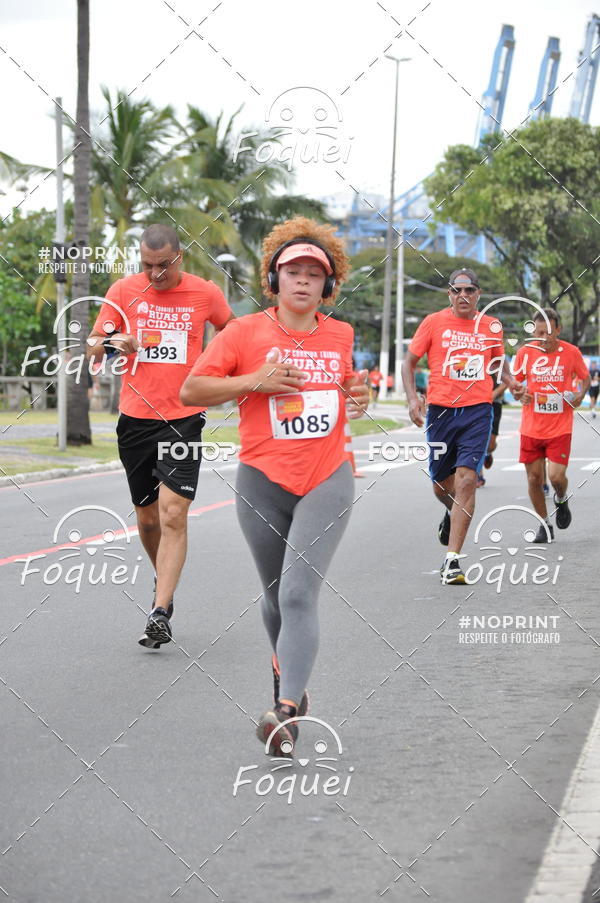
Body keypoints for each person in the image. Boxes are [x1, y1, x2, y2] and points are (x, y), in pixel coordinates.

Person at [180, 217, 369, 756]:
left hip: (327, 477)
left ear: (328, 284)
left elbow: (343, 388)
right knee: (273, 597)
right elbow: (192, 389)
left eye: (315, 273)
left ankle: (285, 712)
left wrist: (356, 396)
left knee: (297, 593)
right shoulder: (243, 332)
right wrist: (252, 381)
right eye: (293, 271)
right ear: (273, 279)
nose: (303, 280)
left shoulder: (340, 333)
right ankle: (290, 682)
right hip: (262, 479)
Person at [87, 224, 234, 646]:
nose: (155, 273)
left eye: (163, 265)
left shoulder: (205, 292)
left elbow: (232, 330)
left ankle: (160, 609)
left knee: (173, 514)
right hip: (135, 420)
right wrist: (114, 340)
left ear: (179, 257)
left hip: (183, 418)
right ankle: (162, 580)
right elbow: (93, 345)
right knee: (148, 518)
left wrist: (214, 364)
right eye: (147, 265)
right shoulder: (122, 290)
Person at [401, 267, 522, 584]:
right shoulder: (433, 322)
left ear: (478, 294)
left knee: (467, 480)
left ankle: (452, 560)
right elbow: (409, 363)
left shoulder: (491, 326)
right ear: (450, 294)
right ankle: (450, 511)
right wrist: (413, 399)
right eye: (457, 290)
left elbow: (498, 363)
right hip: (441, 412)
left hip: (477, 411)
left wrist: (511, 381)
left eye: (469, 290)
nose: (463, 295)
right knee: (442, 486)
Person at [513, 308, 589, 542]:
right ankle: (544, 524)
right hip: (531, 428)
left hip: (560, 427)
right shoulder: (525, 353)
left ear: (558, 330)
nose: (543, 338)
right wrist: (519, 394)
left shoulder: (571, 352)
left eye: (547, 332)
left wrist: (580, 395)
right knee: (534, 479)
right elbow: (515, 384)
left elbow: (585, 379)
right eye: (538, 333)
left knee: (556, 477)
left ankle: (561, 498)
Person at [477, 373, 506, 487]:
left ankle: (488, 452)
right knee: (476, 438)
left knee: (490, 445)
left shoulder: (498, 364)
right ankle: (478, 474)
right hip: (476, 401)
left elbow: (508, 380)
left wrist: (494, 394)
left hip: (495, 402)